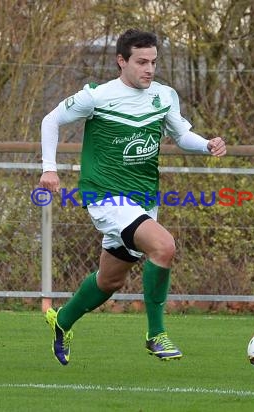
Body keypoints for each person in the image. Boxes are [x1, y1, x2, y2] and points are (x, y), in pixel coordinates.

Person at [38, 28, 226, 365]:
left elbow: (181, 135)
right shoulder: (97, 96)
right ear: (121, 61)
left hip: (144, 199)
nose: (149, 69)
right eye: (141, 62)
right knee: (164, 246)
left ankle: (62, 321)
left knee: (110, 280)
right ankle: (156, 335)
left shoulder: (164, 96)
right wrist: (49, 168)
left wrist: (206, 144)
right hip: (105, 196)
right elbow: (50, 121)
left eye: (153, 61)